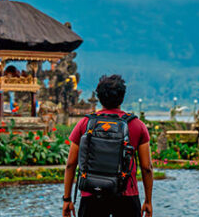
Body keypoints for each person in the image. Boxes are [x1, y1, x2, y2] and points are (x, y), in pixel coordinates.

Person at [63, 74, 153, 217]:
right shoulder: (136, 125)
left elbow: (70, 164)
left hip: (91, 194)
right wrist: (148, 201)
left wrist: (67, 199)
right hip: (126, 196)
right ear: (122, 97)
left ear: (99, 97)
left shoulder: (85, 123)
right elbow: (147, 168)